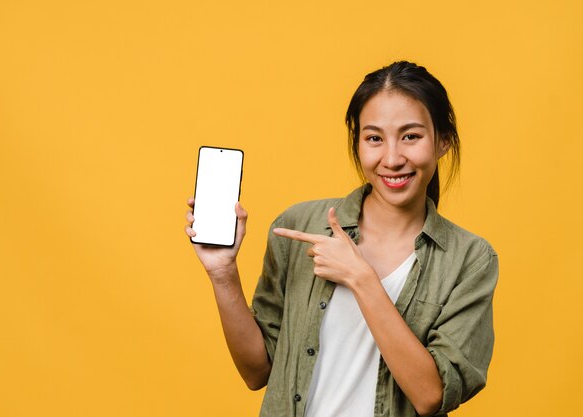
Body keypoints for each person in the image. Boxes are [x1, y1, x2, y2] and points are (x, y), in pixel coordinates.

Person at [184, 61, 498, 417]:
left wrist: (361, 278)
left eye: (411, 136)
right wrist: (223, 274)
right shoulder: (299, 225)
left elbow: (430, 397)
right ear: (358, 143)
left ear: (443, 141)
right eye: (374, 138)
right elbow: (257, 371)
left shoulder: (469, 260)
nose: (392, 159)